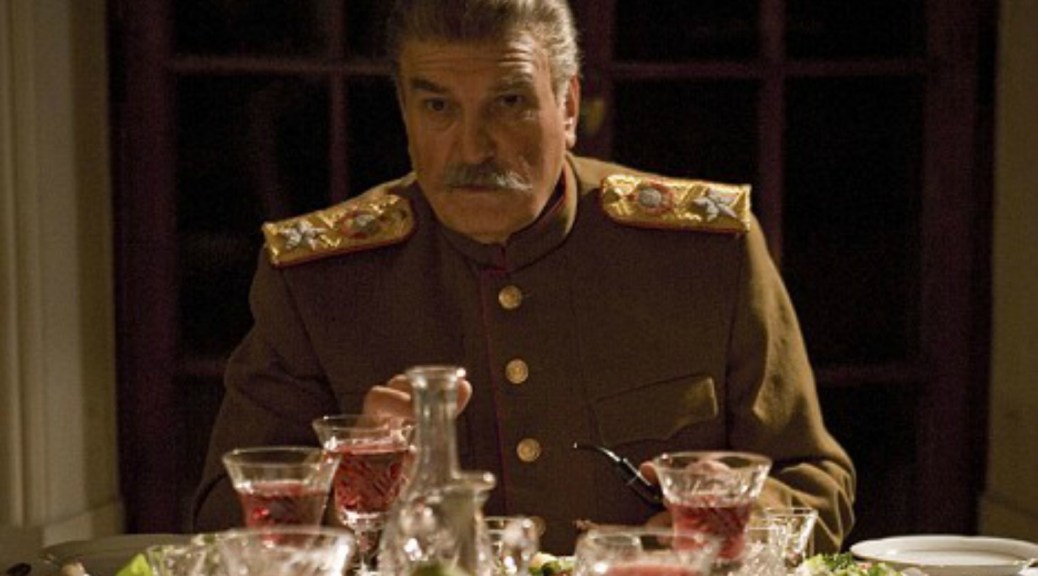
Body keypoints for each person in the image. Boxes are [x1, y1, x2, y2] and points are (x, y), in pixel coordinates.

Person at [193, 0, 856, 554]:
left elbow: (815, 481)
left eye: (509, 102)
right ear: (404, 113)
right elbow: (222, 525)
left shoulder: (706, 252)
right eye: (438, 107)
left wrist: (730, 518)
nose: (473, 147)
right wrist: (355, 477)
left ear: (567, 107)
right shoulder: (318, 281)